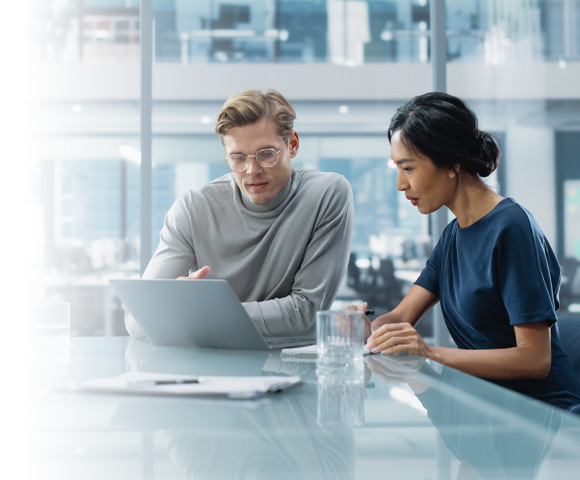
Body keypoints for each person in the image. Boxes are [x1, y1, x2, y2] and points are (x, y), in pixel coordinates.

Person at [359, 92, 580, 411]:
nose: (400, 185)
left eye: (408, 169)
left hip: (543, 414)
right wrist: (367, 328)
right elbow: (400, 317)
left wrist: (429, 353)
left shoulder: (511, 228)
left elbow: (535, 358)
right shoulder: (452, 236)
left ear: (451, 163)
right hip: (487, 405)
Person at [126, 89, 354, 340]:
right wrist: (179, 304)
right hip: (210, 369)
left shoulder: (327, 194)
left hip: (292, 367)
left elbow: (306, 311)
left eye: (266, 154)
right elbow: (137, 320)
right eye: (237, 158)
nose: (251, 170)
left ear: (293, 144)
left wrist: (197, 315)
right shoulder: (193, 208)